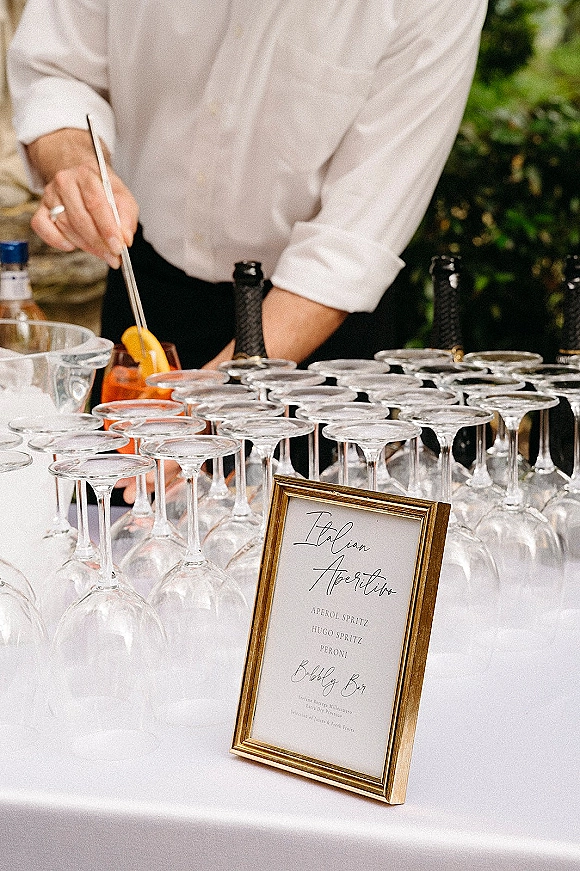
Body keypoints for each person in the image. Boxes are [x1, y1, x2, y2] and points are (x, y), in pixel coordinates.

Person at [8, 0, 488, 377]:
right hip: (146, 288)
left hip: (314, 330)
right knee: (116, 501)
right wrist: (76, 166)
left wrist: (219, 406)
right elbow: (57, 70)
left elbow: (349, 247)